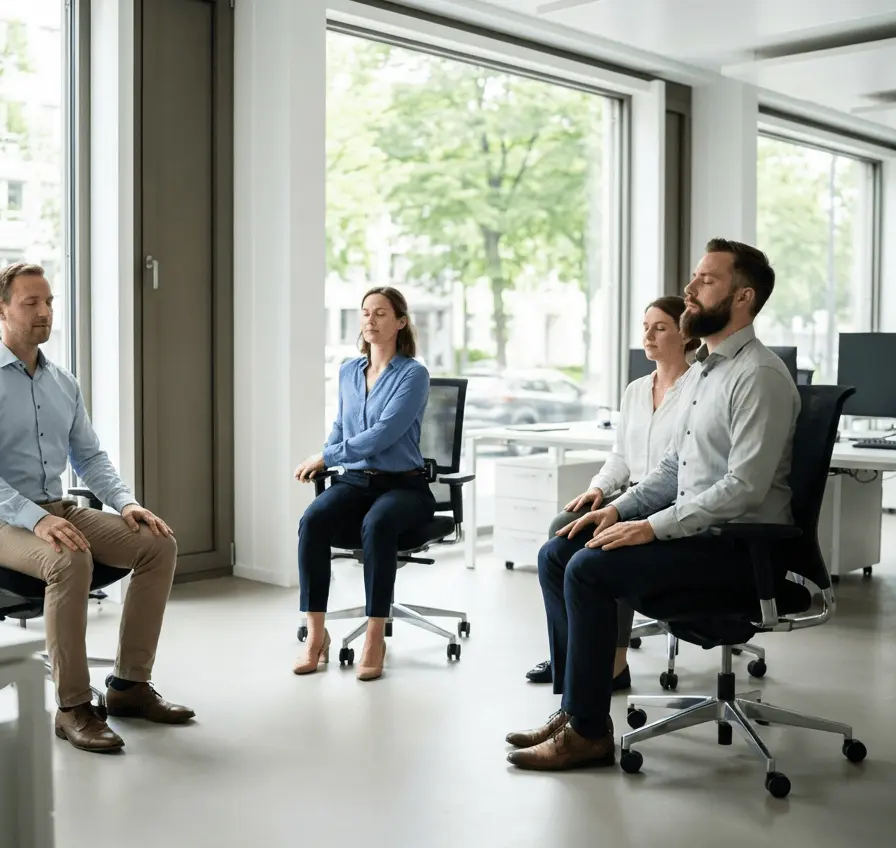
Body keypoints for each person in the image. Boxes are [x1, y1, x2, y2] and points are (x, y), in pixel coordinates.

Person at [506, 239, 800, 771]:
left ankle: (589, 734)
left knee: (591, 571)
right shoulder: (706, 372)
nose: (690, 288)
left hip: (740, 551)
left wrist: (652, 527)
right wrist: (618, 510)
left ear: (743, 297)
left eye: (706, 280)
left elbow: (744, 488)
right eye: (694, 276)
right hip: (700, 537)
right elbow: (671, 471)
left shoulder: (757, 376)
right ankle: (575, 711)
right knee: (561, 548)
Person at [0, 262, 192, 755]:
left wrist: (128, 503)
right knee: (69, 558)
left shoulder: (63, 382)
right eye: (30, 302)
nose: (45, 312)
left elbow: (90, 457)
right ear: (0, 309)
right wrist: (37, 519)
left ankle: (128, 688)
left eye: (49, 301)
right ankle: (74, 706)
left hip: (55, 508)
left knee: (158, 544)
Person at [524, 295, 698, 689]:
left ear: (685, 334)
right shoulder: (636, 390)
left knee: (606, 546)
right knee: (561, 528)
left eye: (660, 328)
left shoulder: (697, 389)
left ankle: (614, 663)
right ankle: (567, 656)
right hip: (629, 495)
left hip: (671, 502)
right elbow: (620, 456)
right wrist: (598, 488)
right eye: (645, 326)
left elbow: (679, 469)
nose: (648, 336)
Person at [293, 286, 434, 682]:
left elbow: (383, 434)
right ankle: (317, 634)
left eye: (381, 314)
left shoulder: (414, 374)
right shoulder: (348, 371)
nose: (370, 321)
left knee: (379, 522)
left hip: (404, 486)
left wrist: (325, 457)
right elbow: (341, 426)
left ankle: (375, 636)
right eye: (365, 313)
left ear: (401, 322)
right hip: (356, 481)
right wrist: (329, 453)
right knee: (313, 521)